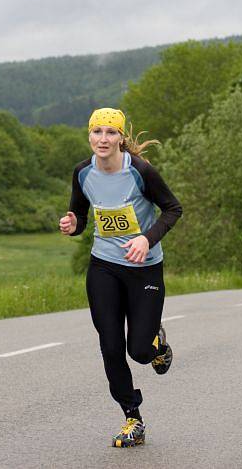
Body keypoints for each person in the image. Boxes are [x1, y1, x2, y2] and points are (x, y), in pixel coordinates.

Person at [58, 107, 182, 448]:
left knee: (139, 351)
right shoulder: (82, 173)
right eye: (96, 132)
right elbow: (81, 215)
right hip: (104, 267)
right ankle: (132, 418)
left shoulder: (141, 171)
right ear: (89, 136)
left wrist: (146, 238)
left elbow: (173, 209)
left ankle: (156, 344)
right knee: (111, 347)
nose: (103, 139)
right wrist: (73, 226)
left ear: (120, 138)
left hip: (144, 269)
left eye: (110, 133)